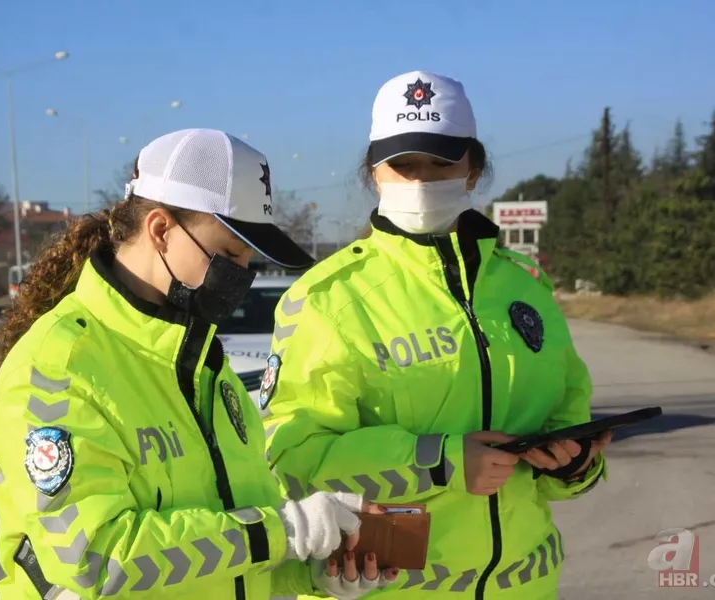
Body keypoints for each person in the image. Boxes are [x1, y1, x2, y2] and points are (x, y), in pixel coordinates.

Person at [0, 128, 398, 599]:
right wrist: (284, 530)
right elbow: (95, 561)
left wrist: (312, 573)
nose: (241, 273)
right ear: (160, 229)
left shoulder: (206, 370)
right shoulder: (56, 370)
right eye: (229, 253)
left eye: (249, 259)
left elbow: (233, 552)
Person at [260, 72, 611, 599]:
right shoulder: (326, 299)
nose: (421, 180)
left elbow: (568, 413)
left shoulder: (526, 287)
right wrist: (440, 461)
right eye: (404, 165)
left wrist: (575, 464)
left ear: (473, 169)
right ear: (374, 172)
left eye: (441, 162)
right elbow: (293, 462)